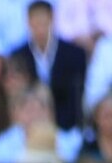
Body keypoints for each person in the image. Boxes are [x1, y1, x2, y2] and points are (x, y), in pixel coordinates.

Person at [7, 1, 86, 132]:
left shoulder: (74, 54)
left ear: (52, 20)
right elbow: (17, 97)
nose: (40, 29)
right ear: (28, 22)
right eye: (35, 23)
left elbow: (76, 97)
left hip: (67, 128)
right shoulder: (18, 56)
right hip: (28, 128)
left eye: (44, 22)